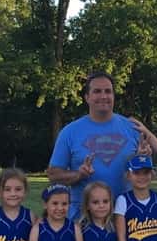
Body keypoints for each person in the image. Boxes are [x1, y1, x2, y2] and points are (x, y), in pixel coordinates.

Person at [47, 72, 143, 221]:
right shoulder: (70, 132)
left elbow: (145, 172)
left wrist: (143, 158)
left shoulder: (133, 129)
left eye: (108, 91)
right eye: (97, 91)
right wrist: (79, 175)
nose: (103, 96)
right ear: (87, 97)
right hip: (84, 219)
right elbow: (53, 175)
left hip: (126, 216)